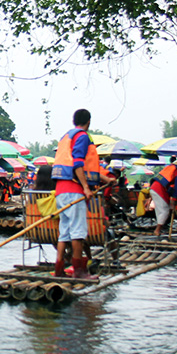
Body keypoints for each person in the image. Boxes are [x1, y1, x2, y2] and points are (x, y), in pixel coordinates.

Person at [50, 109, 114, 280]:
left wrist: (105, 180)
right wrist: (86, 187)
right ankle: (79, 270)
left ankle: (59, 268)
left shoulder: (66, 137)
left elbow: (81, 166)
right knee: (78, 231)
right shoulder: (83, 136)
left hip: (61, 191)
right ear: (89, 121)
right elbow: (78, 164)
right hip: (74, 190)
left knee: (64, 231)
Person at [149, 155, 177, 237]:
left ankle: (160, 227)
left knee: (160, 210)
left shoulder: (170, 167)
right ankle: (157, 230)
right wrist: (174, 199)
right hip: (159, 190)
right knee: (165, 211)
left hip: (154, 187)